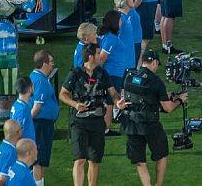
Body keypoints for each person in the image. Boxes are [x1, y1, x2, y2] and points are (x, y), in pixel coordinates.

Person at [59, 43, 127, 186]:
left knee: (95, 160)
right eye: (97, 53)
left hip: (97, 121)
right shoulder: (75, 74)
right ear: (90, 57)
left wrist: (118, 102)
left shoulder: (103, 73)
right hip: (78, 122)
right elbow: (63, 94)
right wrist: (75, 104)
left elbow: (113, 92)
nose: (100, 56)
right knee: (79, 159)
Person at [121, 49, 187, 186]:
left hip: (132, 124)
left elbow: (135, 95)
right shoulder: (156, 81)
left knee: (139, 160)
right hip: (150, 125)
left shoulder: (129, 75)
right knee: (161, 155)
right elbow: (168, 108)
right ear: (154, 62)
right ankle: (158, 184)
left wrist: (163, 96)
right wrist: (180, 100)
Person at [30, 50, 58, 185]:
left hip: (42, 124)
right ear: (44, 64)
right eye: (51, 62)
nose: (53, 65)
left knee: (40, 159)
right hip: (40, 124)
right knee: (39, 159)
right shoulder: (40, 81)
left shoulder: (38, 78)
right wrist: (28, 123)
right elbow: (36, 107)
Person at [0, 120, 22, 186]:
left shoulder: (1, 147)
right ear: (18, 132)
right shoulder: (11, 152)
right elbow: (2, 179)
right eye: (21, 128)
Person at [10, 77, 35, 142]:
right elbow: (19, 132)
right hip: (25, 147)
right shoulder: (23, 109)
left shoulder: (16, 104)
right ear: (30, 89)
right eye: (33, 85)